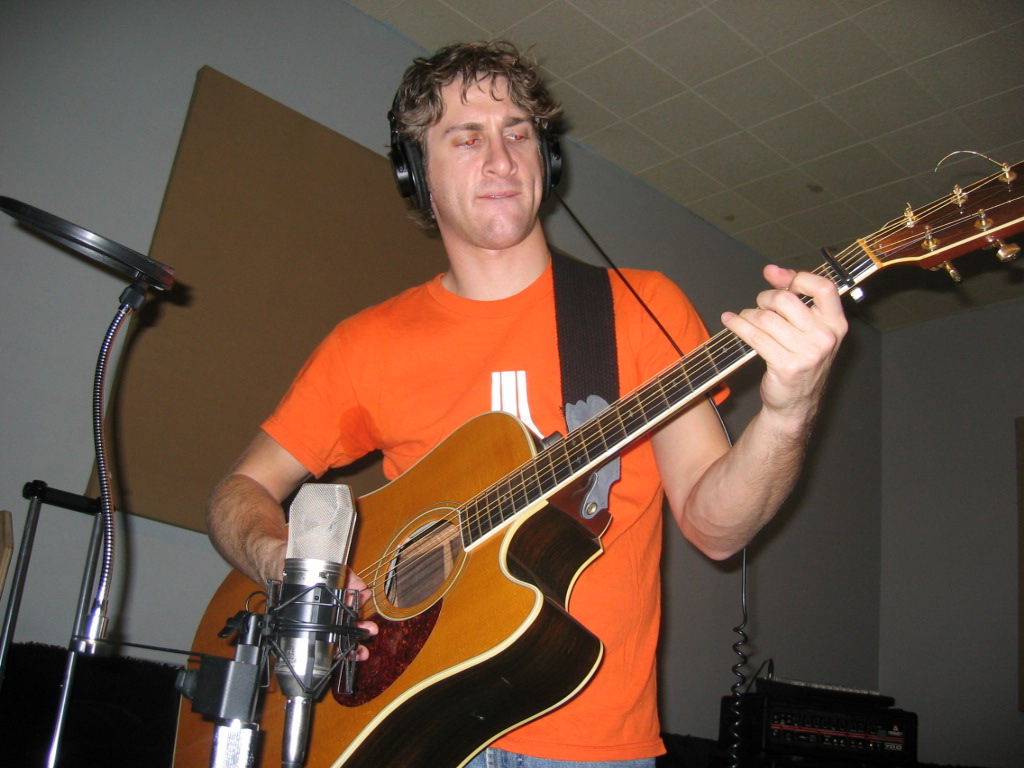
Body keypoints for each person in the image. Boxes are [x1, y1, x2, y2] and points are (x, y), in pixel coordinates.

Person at [206, 40, 847, 768]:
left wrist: (788, 412)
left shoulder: (637, 308)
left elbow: (715, 527)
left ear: (547, 158)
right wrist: (285, 565)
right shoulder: (366, 344)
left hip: (588, 747)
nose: (501, 159)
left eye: (517, 133)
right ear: (415, 173)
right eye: (466, 138)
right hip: (398, 732)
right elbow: (238, 491)